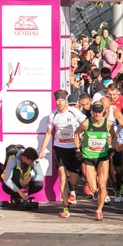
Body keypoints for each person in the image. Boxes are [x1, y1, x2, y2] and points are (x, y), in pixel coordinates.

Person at [38, 90, 86, 218]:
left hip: (74, 147)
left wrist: (83, 140)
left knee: (74, 180)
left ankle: (72, 190)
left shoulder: (74, 112)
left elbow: (86, 124)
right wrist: (42, 150)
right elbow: (48, 133)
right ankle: (65, 207)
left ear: (66, 101)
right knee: (62, 175)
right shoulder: (52, 115)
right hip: (60, 147)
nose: (60, 103)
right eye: (57, 100)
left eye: (62, 100)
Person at [74, 102, 114, 220]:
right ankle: (99, 194)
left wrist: (112, 146)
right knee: (92, 187)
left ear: (103, 112)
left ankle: (99, 209)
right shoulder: (86, 123)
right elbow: (76, 134)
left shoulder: (108, 124)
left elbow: (114, 135)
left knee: (102, 184)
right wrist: (77, 149)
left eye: (99, 112)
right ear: (92, 112)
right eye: (94, 112)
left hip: (102, 156)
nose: (97, 114)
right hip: (89, 156)